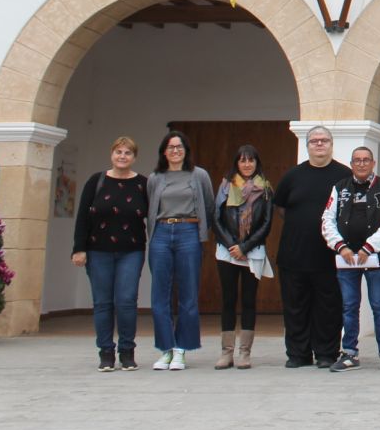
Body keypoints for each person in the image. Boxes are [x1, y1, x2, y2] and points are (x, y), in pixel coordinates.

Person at [273, 124, 350, 369]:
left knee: (328, 308)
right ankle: (298, 354)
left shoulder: (344, 175)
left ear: (331, 144)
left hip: (330, 256)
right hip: (294, 255)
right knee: (295, 307)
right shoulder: (292, 176)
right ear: (307, 146)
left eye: (324, 140)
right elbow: (281, 207)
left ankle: (327, 353)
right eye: (314, 141)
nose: (319, 144)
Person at [71, 135, 148, 372]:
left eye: (127, 153)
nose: (122, 157)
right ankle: (106, 353)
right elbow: (83, 216)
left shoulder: (143, 184)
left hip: (131, 251)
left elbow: (153, 216)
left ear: (134, 157)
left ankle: (127, 351)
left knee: (126, 301)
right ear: (111, 154)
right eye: (118, 152)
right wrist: (79, 249)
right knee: (103, 303)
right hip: (98, 251)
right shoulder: (97, 181)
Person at [322, 146, 380, 372]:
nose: (362, 164)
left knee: (378, 305)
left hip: (376, 259)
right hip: (346, 259)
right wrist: (341, 247)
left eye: (366, 160)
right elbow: (327, 219)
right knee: (349, 306)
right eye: (357, 160)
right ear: (352, 163)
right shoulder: (340, 187)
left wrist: (368, 247)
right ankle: (349, 353)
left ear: (373, 163)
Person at [145, 130, 217, 371]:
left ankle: (181, 350)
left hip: (189, 231)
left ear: (186, 150)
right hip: (162, 233)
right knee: (159, 295)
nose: (175, 151)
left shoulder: (199, 175)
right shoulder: (155, 177)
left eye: (179, 147)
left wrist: (204, 234)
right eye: (170, 147)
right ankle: (165, 349)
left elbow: (209, 204)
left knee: (188, 293)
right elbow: (150, 207)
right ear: (163, 152)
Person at [212, 144, 274, 370]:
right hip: (227, 252)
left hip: (253, 252)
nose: (247, 164)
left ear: (257, 163)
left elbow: (266, 223)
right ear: (236, 163)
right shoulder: (226, 186)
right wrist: (232, 245)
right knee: (228, 300)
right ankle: (226, 352)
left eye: (251, 160)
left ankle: (245, 353)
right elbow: (216, 218)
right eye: (242, 160)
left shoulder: (265, 189)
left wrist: (245, 246)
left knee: (249, 301)